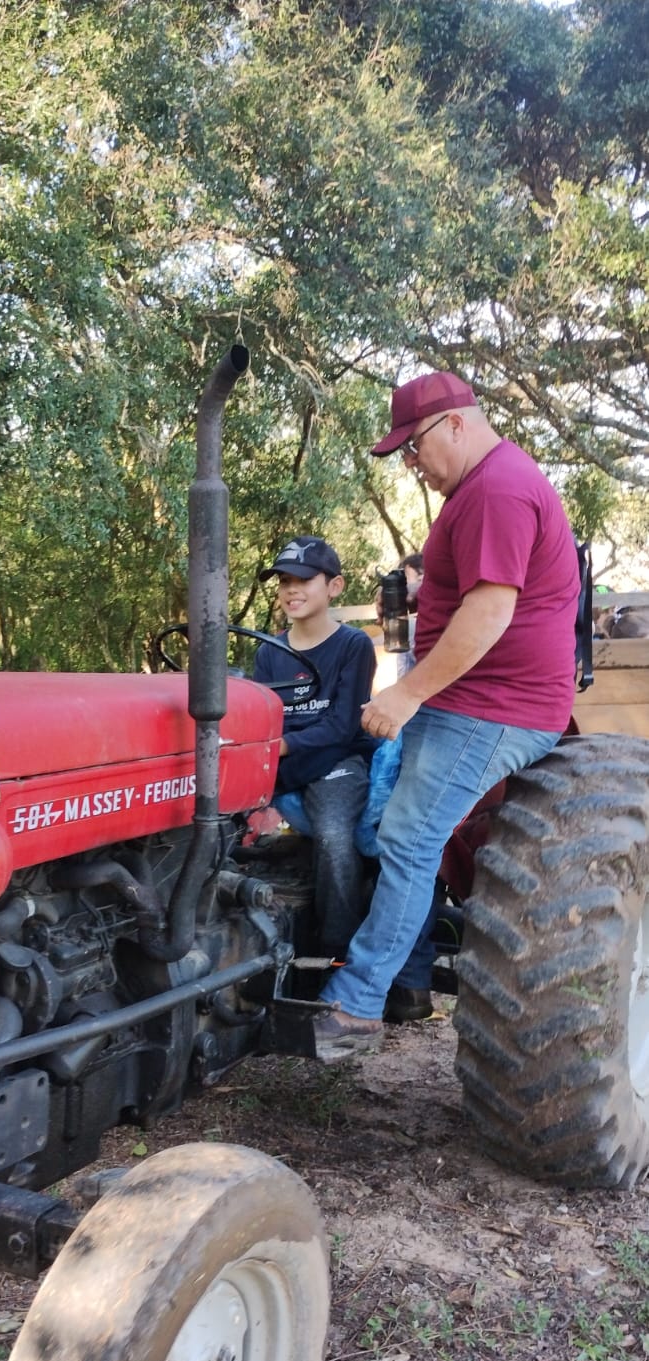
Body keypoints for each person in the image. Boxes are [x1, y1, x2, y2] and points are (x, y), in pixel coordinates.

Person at [315, 370, 581, 1062]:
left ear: (455, 424)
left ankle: (356, 1004)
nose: (411, 463)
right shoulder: (484, 486)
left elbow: (489, 613)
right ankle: (389, 981)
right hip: (469, 699)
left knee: (409, 838)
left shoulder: (496, 488)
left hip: (493, 706)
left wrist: (405, 693)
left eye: (413, 447)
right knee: (398, 831)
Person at [254, 538, 376, 958]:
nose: (292, 589)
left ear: (334, 587)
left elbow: (342, 727)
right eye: (284, 581)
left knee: (333, 836)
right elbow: (263, 716)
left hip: (335, 760)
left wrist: (282, 746)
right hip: (284, 760)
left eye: (304, 579)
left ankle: (337, 951)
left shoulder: (353, 646)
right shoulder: (269, 651)